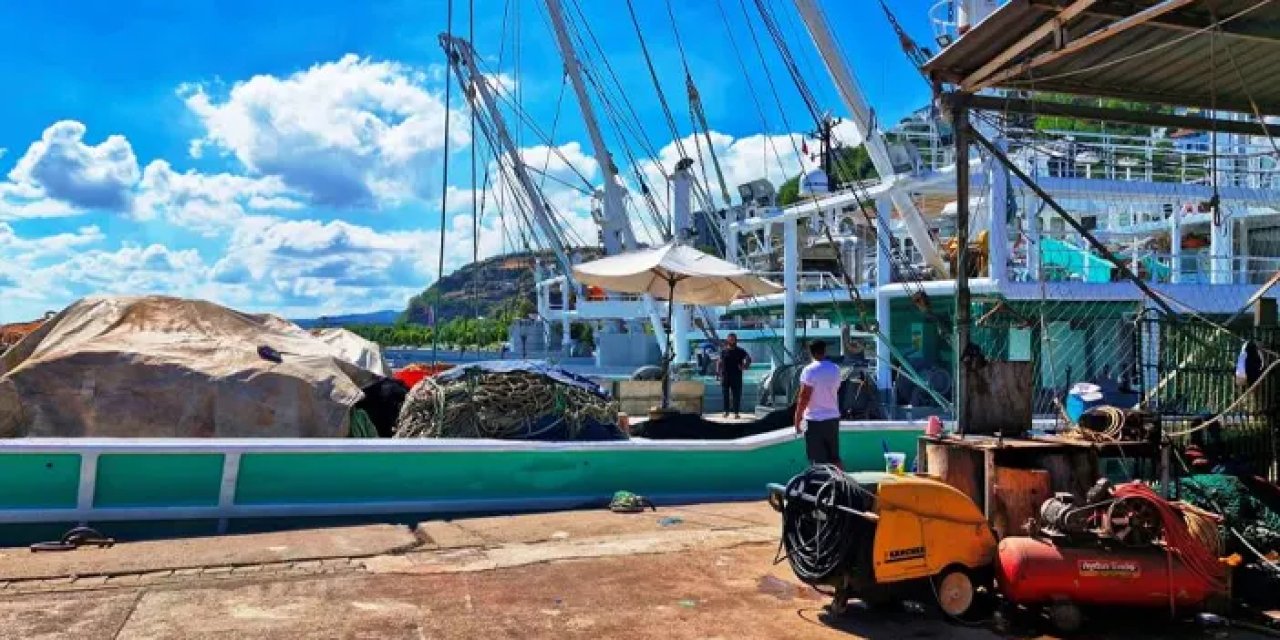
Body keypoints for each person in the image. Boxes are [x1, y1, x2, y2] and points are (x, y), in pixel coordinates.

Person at [795, 340, 843, 469]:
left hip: (814, 420)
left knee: (817, 460)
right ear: (824, 351)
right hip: (833, 418)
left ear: (811, 352)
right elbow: (836, 389)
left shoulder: (809, 371)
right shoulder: (836, 369)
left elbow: (804, 397)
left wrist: (797, 418)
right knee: (834, 457)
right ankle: (842, 485)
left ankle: (819, 486)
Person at [717, 333, 751, 418]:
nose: (731, 341)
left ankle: (736, 412)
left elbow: (748, 358)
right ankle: (726, 411)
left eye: (733, 339)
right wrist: (718, 373)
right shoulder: (723, 351)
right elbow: (719, 362)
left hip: (736, 376)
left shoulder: (740, 351)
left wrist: (744, 366)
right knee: (725, 395)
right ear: (727, 340)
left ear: (736, 340)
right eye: (730, 339)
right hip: (725, 376)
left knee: (736, 395)